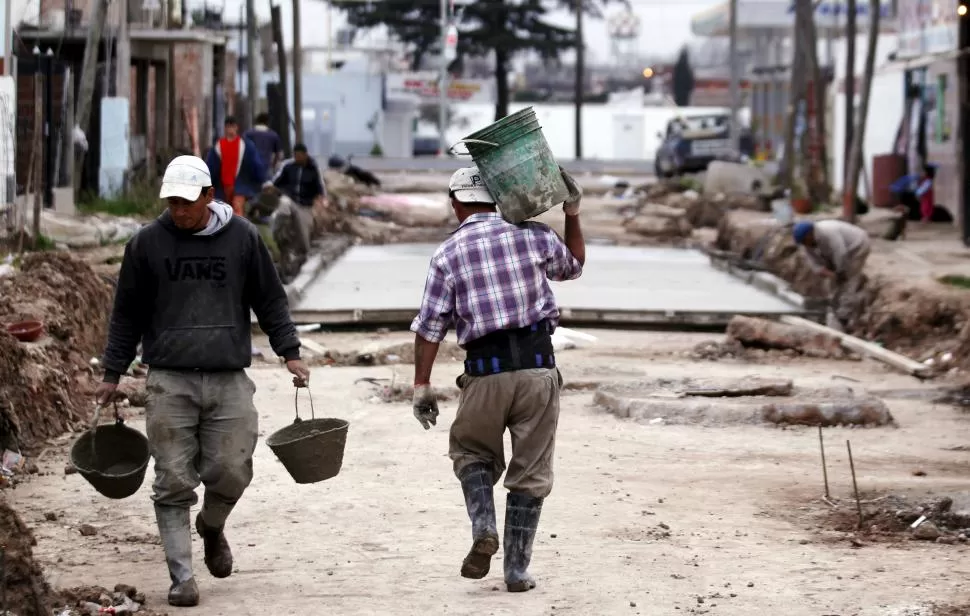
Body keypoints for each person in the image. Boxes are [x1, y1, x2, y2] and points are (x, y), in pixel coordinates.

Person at [95, 154, 310, 607]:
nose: (178, 210)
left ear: (210, 196)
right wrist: (112, 373)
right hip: (169, 381)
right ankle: (182, 578)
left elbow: (270, 299)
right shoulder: (146, 245)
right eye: (172, 202)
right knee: (172, 479)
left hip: (228, 376)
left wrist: (289, 352)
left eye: (187, 202)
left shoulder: (243, 239)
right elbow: (126, 316)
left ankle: (212, 525)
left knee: (233, 468)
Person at [410, 166, 585, 593]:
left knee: (471, 452)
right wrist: (573, 212)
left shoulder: (447, 254)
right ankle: (517, 570)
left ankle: (484, 525)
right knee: (531, 471)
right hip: (538, 370)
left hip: (485, 374)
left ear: (456, 204)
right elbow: (575, 265)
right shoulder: (533, 235)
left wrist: (422, 385)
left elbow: (430, 328)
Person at [792, 219, 871, 332]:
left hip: (857, 246)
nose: (805, 244)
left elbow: (841, 253)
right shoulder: (806, 244)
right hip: (836, 255)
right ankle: (835, 307)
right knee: (834, 285)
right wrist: (830, 274)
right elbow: (815, 265)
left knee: (849, 281)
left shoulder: (828, 233)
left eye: (805, 241)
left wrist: (841, 273)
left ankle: (844, 317)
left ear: (810, 233)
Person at [270, 143, 327, 260]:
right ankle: (275, 233)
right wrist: (271, 189)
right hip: (291, 200)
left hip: (305, 205)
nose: (297, 158)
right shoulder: (288, 166)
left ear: (305, 155)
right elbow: (275, 181)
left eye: (300, 155)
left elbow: (320, 189)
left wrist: (320, 202)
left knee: (304, 236)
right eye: (295, 155)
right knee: (283, 204)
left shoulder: (314, 169)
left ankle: (303, 255)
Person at [205, 116, 267, 217]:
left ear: (236, 127)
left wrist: (261, 179)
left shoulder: (246, 145)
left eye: (232, 126)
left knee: (237, 213)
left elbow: (256, 164)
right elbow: (211, 167)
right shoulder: (218, 146)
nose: (230, 129)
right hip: (222, 187)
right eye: (228, 127)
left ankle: (238, 232)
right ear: (225, 128)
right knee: (222, 214)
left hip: (240, 185)